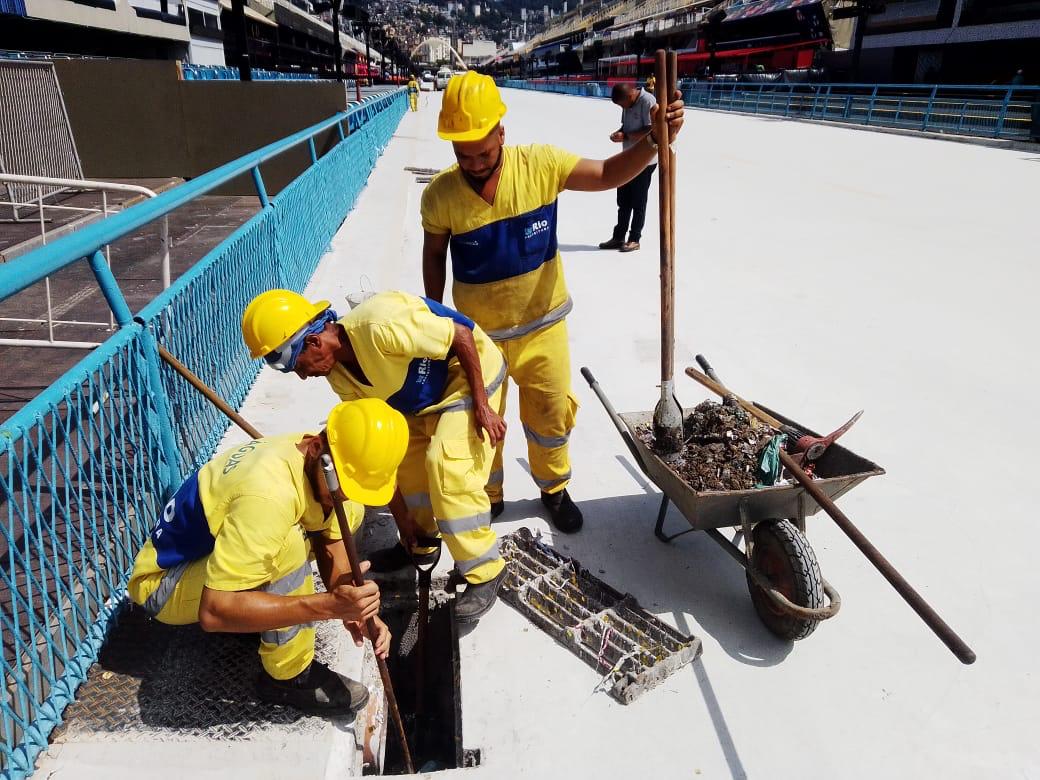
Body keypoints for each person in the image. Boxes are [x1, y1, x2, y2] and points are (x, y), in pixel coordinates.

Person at [420, 72, 686, 533]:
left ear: (502, 132)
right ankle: (491, 493)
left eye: (484, 152)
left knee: (551, 414)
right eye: (464, 155)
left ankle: (553, 488)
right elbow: (434, 256)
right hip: (479, 339)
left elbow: (606, 174)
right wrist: (436, 319)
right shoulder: (440, 195)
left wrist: (652, 144)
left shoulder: (540, 165)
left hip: (543, 328)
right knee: (480, 422)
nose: (476, 163)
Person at [242, 289, 509, 623]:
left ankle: (485, 570)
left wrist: (483, 406)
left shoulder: (379, 324)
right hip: (418, 402)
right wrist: (402, 519)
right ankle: (420, 541)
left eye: (298, 366)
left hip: (465, 376)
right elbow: (381, 454)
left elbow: (461, 336)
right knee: (410, 469)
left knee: (446, 466)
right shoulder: (340, 377)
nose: (303, 375)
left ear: (313, 343)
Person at [127, 399, 408, 717]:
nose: (343, 496)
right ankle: (289, 675)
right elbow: (215, 611)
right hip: (163, 585)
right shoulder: (268, 495)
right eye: (342, 487)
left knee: (346, 512)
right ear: (317, 447)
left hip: (210, 557)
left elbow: (331, 543)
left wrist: (355, 606)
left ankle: (257, 614)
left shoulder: (310, 455)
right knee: (288, 545)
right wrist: (329, 606)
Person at [599, 82, 658, 253]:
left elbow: (651, 130)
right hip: (628, 157)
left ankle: (634, 239)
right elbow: (627, 127)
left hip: (644, 160)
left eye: (621, 104)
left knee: (638, 201)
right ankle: (618, 237)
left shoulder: (648, 101)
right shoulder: (628, 103)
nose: (622, 108)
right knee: (623, 200)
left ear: (630, 96)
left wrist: (625, 135)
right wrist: (620, 133)